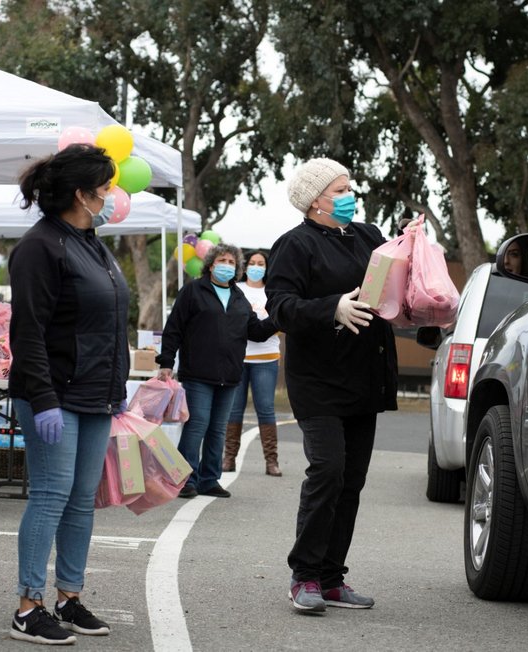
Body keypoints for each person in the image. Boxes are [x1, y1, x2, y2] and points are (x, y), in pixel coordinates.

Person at [265, 157, 406, 613]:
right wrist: (332, 309)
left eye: (349, 187)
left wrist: (413, 240)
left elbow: (396, 276)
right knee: (327, 471)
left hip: (364, 377)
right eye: (339, 190)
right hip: (318, 380)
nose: (349, 196)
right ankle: (303, 575)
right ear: (314, 201)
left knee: (351, 481)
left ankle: (330, 578)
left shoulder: (368, 236)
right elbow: (281, 306)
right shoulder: (294, 245)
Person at [6, 144, 130, 645]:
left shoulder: (93, 242)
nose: (112, 195)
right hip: (54, 394)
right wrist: (43, 398)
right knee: (51, 497)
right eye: (105, 188)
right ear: (82, 193)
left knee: (82, 501)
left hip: (96, 394)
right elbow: (28, 332)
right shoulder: (40, 247)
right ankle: (27, 606)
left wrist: (117, 387)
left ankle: (68, 597)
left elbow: (108, 322)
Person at [156, 243, 278, 499]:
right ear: (211, 265)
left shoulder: (238, 297)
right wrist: (166, 361)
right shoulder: (193, 291)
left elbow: (255, 330)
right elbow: (174, 327)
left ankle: (209, 480)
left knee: (218, 428)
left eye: (232, 263)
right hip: (198, 372)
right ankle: (185, 479)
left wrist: (279, 318)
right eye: (222, 261)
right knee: (197, 424)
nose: (227, 266)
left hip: (230, 374)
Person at [223, 250, 282, 477]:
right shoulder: (236, 290)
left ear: (267, 268)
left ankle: (271, 461)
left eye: (261, 263)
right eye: (253, 263)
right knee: (234, 409)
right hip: (239, 358)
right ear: (245, 266)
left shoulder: (273, 291)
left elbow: (281, 319)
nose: (256, 267)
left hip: (266, 358)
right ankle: (229, 458)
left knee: (266, 408)